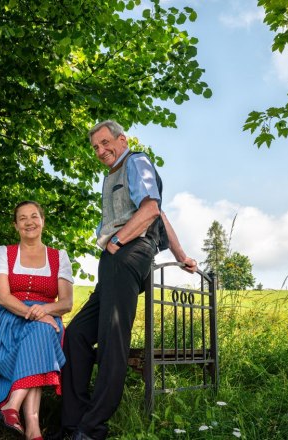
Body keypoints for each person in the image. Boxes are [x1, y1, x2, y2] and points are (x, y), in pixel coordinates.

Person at [54, 120, 197, 440]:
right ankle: (73, 424)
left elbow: (150, 209)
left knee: (111, 341)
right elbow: (160, 214)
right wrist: (180, 254)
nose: (101, 151)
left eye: (106, 143)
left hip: (126, 252)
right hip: (115, 258)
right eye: (95, 147)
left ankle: (92, 429)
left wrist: (117, 242)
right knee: (76, 334)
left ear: (122, 140)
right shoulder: (114, 173)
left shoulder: (137, 161)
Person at [0, 201, 74, 440]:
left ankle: (12, 408)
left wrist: (43, 311)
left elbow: (66, 303)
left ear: (42, 221)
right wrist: (36, 314)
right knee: (42, 334)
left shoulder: (59, 256)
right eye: (22, 218)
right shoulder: (4, 252)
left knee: (40, 334)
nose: (29, 222)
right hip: (10, 316)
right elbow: (3, 297)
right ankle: (32, 425)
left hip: (46, 317)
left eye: (34, 216)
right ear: (15, 225)